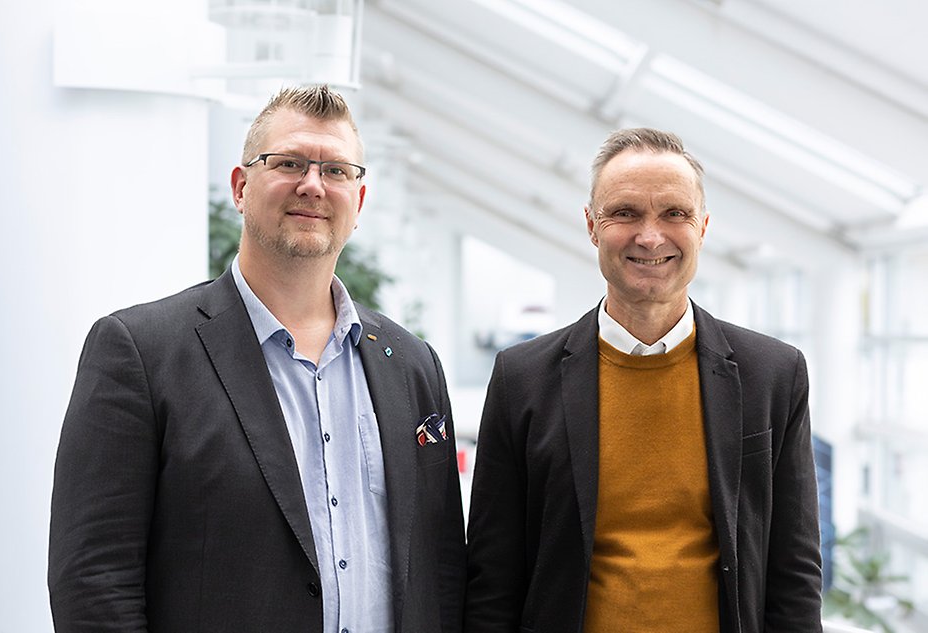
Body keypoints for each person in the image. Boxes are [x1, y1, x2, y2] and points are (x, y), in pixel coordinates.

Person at [49, 85, 466, 633]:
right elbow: (94, 581)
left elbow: (440, 568)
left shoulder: (411, 366)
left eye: (337, 171)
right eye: (289, 162)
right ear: (241, 187)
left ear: (358, 203)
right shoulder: (140, 352)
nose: (313, 185)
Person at [464, 128, 822, 632]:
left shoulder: (773, 375)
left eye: (674, 213)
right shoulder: (522, 378)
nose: (650, 236)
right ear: (591, 225)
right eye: (626, 212)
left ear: (703, 227)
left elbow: (795, 572)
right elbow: (492, 577)